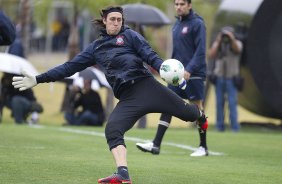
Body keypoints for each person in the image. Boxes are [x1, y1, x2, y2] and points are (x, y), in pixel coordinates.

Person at [12, 6, 207, 183]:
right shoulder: (96, 48)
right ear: (104, 21)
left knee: (190, 114)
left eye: (119, 20)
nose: (116, 22)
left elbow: (150, 55)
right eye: (112, 19)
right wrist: (38, 79)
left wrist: (164, 70)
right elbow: (68, 68)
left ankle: (200, 116)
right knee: (112, 129)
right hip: (128, 98)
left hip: (147, 86)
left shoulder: (130, 36)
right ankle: (123, 173)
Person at [136, 0, 208, 157]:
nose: (179, 7)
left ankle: (203, 147)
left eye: (182, 4)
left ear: (189, 5)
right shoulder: (177, 25)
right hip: (177, 75)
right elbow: (176, 54)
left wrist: (189, 69)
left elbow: (201, 51)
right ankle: (156, 145)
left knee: (197, 109)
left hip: (194, 74)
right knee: (168, 104)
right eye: (176, 4)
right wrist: (170, 70)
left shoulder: (197, 24)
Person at [208, 26, 242, 132]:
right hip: (219, 77)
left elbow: (238, 50)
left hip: (232, 78)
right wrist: (218, 41)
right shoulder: (218, 44)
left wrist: (231, 39)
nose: (226, 37)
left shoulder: (237, 43)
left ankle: (235, 127)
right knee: (219, 103)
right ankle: (220, 127)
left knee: (232, 104)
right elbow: (211, 54)